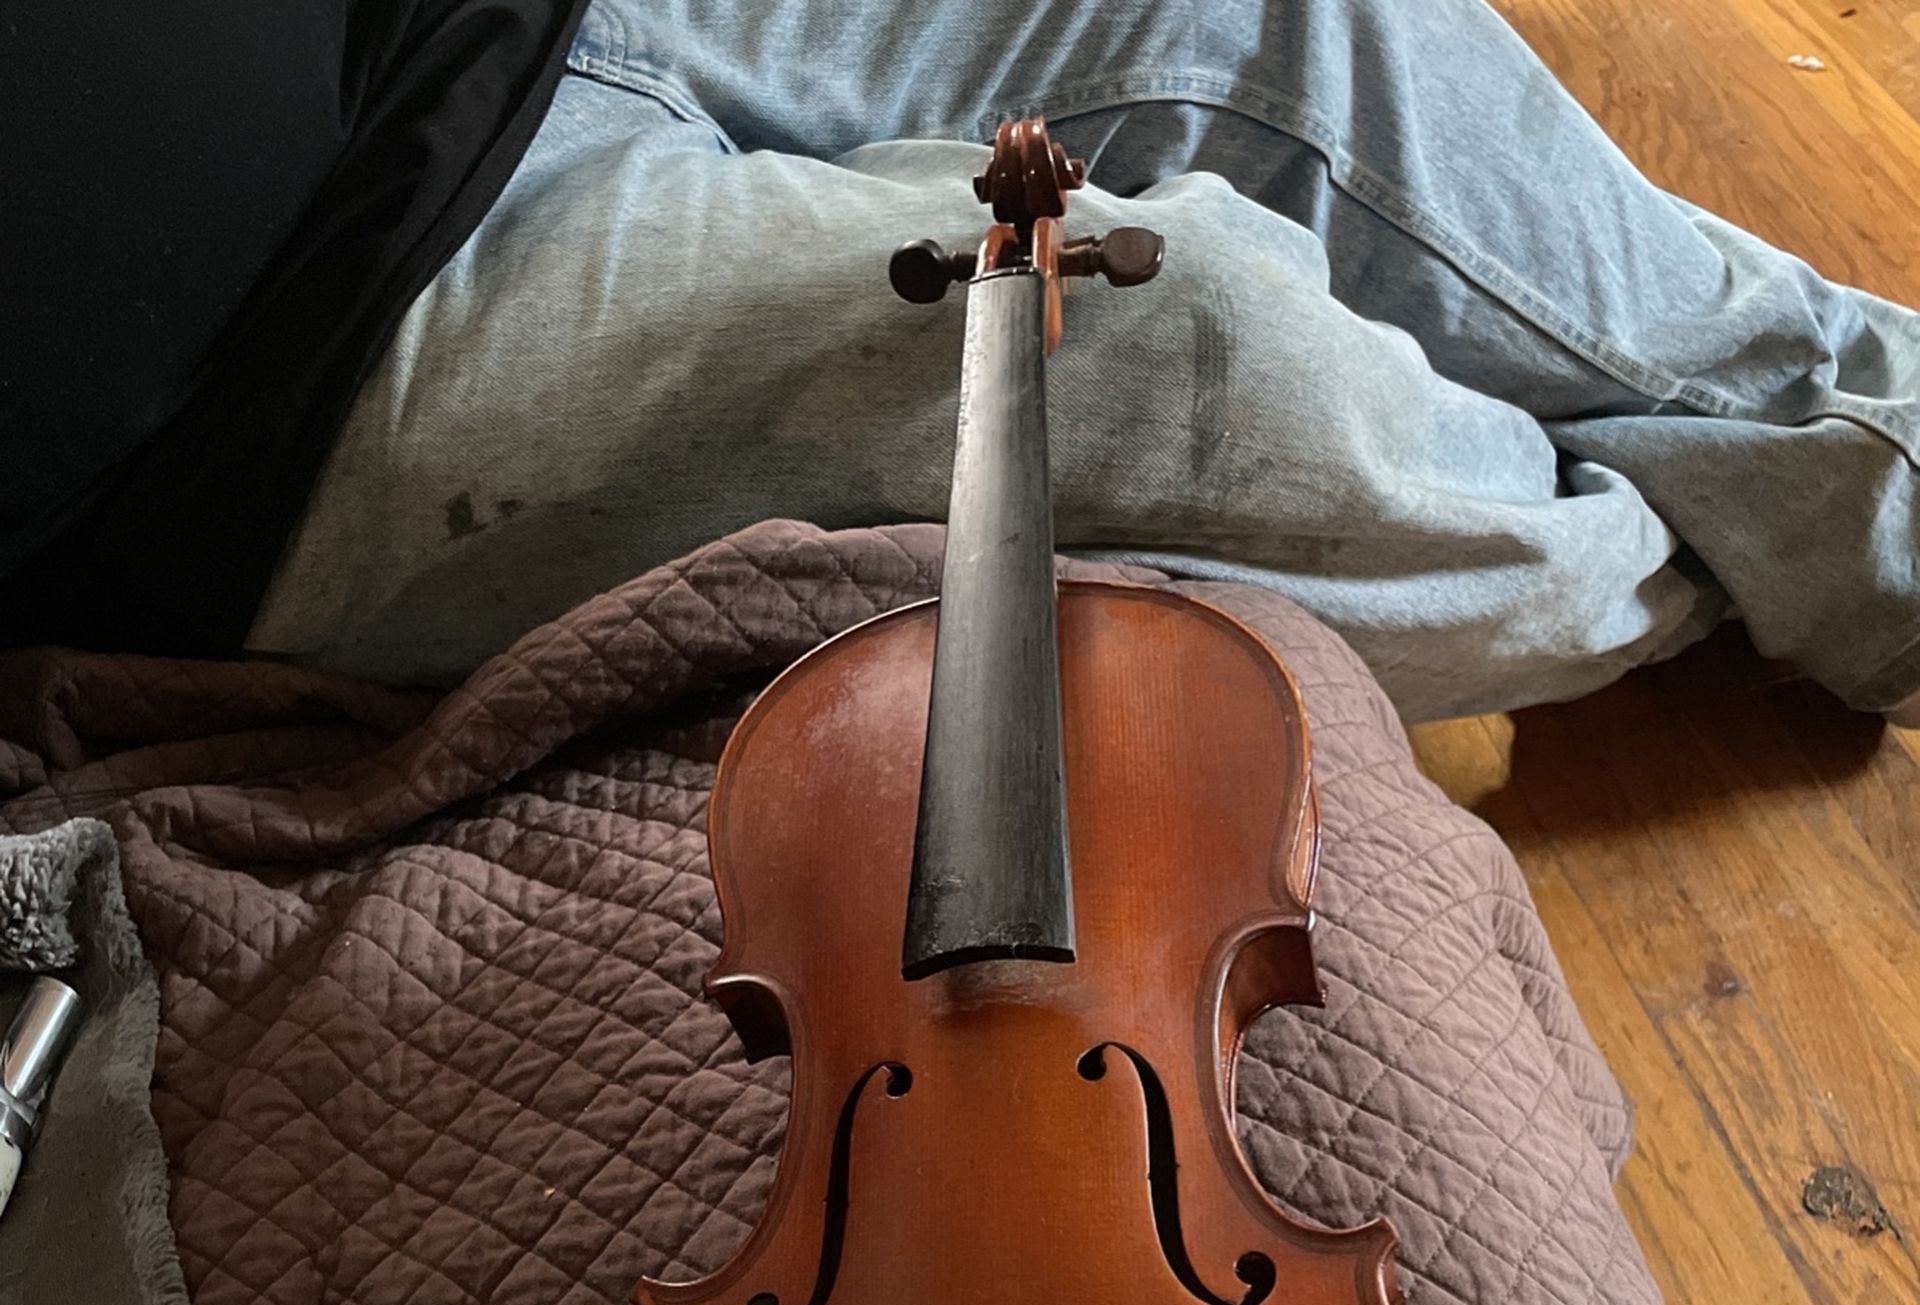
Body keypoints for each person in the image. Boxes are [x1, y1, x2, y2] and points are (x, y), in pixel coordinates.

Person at [7, 0, 1919, 725]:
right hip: (284, 395)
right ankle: (1726, 548)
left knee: (1304, 22)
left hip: (488, 22)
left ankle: (1872, 427)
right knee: (1179, 343)